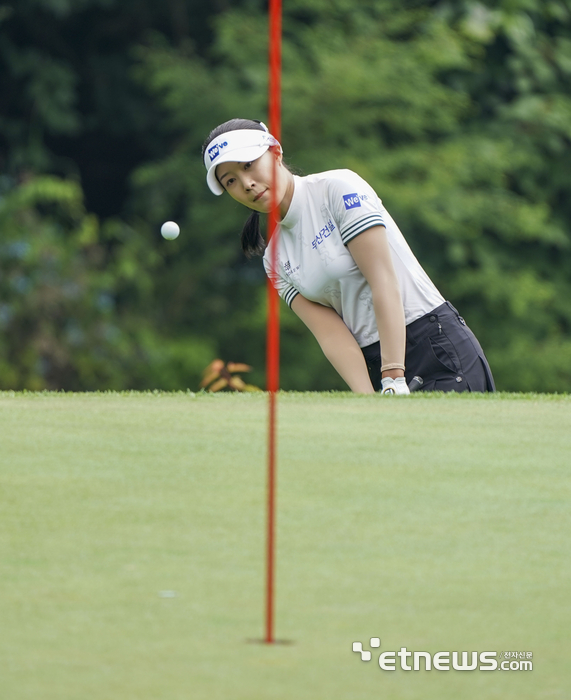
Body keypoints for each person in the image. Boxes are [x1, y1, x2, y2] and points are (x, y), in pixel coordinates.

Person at [202, 118, 495, 395]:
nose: (246, 183)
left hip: (434, 346)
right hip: (374, 362)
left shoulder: (338, 188)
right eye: (230, 181)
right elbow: (331, 335)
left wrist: (393, 375)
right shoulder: (274, 259)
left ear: (276, 152)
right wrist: (366, 398)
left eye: (249, 165)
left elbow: (382, 281)